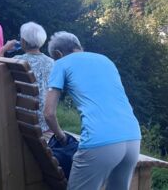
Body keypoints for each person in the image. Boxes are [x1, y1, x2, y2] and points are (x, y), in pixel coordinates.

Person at [44, 31, 141, 190]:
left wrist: (61, 137)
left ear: (57, 54)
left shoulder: (61, 63)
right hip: (132, 136)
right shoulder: (105, 60)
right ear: (79, 46)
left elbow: (48, 113)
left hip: (100, 140)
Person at [0, 22, 54, 132]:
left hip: (22, 119)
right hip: (44, 121)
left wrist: (4, 49)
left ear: (23, 41)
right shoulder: (52, 63)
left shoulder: (17, 60)